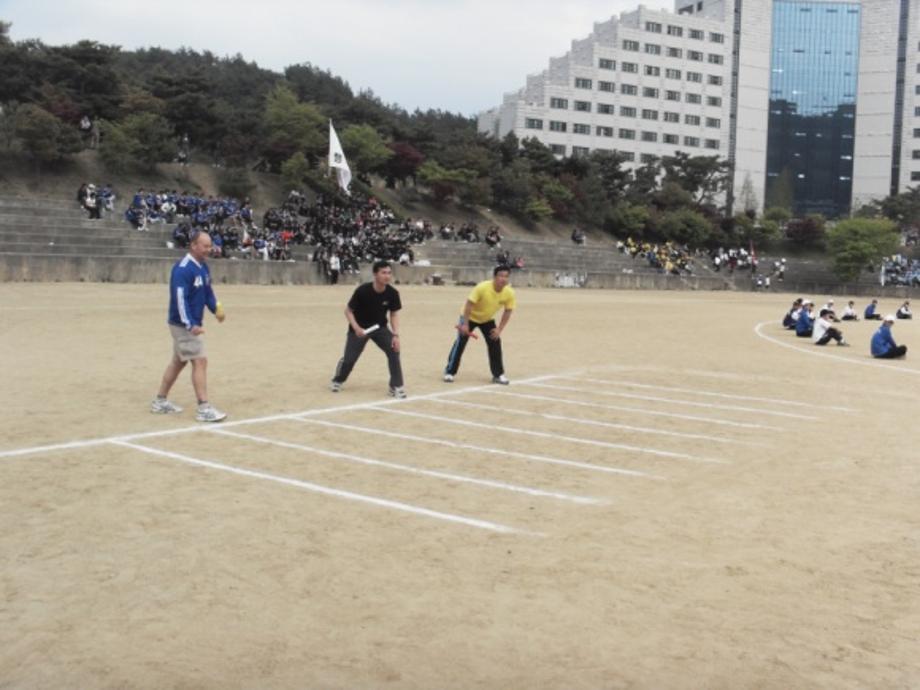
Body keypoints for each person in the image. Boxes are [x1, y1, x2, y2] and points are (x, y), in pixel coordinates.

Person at [152, 230, 227, 422]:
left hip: (187, 323)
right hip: (183, 324)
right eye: (205, 246)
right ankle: (203, 407)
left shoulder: (203, 267)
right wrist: (190, 324)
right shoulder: (183, 269)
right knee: (200, 361)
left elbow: (208, 292)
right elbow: (180, 299)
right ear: (193, 245)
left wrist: (216, 308)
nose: (209, 249)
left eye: (210, 246)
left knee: (178, 362)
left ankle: (160, 400)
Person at [330, 260, 405, 398]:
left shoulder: (393, 293)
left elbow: (393, 314)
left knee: (394, 351)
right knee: (349, 360)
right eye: (383, 273)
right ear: (375, 274)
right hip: (359, 329)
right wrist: (356, 328)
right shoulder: (362, 291)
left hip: (379, 328)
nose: (387, 276)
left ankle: (396, 386)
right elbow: (348, 311)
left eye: (389, 273)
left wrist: (395, 335)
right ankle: (338, 380)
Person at [443, 265, 516, 384]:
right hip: (469, 317)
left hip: (487, 319)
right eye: (501, 276)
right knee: (460, 342)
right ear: (494, 277)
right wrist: (465, 324)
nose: (504, 279)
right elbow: (469, 305)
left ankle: (498, 375)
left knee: (495, 342)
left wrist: (499, 329)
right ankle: (449, 372)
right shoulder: (482, 287)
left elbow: (508, 311)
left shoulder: (509, 293)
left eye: (506, 276)